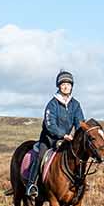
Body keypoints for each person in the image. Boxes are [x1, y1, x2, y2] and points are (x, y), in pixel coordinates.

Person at [26, 70, 86, 198]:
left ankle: (79, 183)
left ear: (72, 86)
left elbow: (80, 122)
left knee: (76, 157)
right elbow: (50, 125)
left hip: (66, 140)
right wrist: (63, 134)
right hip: (49, 139)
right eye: (63, 84)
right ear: (59, 86)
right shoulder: (52, 104)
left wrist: (79, 135)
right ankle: (31, 185)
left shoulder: (75, 104)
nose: (66, 86)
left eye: (68, 84)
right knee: (41, 156)